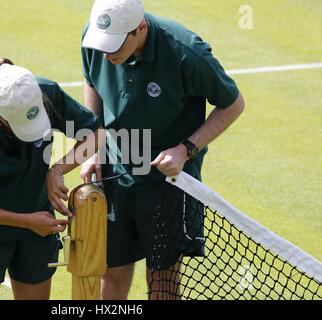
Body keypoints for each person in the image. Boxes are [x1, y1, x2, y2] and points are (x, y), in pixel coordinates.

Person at [80, 0, 245, 299]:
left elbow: (232, 104)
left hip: (169, 182)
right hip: (115, 174)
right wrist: (95, 146)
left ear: (140, 28)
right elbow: (92, 82)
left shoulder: (186, 52)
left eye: (114, 45)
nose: (105, 54)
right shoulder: (96, 37)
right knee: (111, 274)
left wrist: (185, 149)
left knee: (162, 282)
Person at [0, 58, 102, 300]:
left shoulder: (46, 93)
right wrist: (25, 221)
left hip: (36, 228)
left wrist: (57, 170)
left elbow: (95, 134)